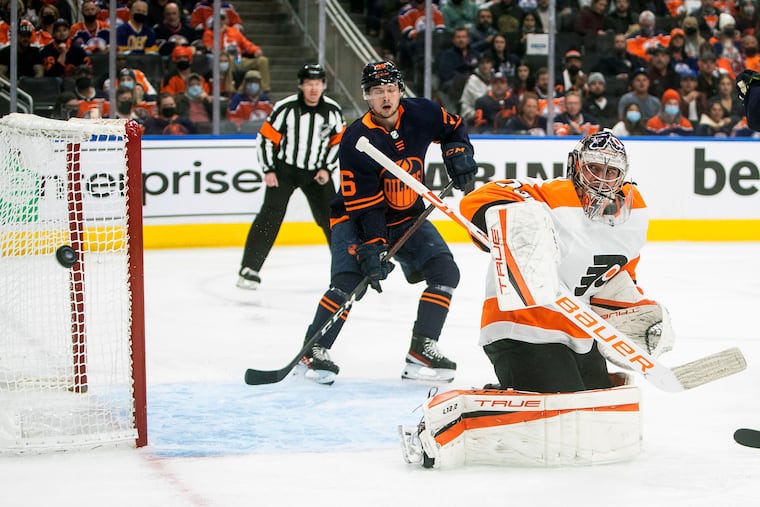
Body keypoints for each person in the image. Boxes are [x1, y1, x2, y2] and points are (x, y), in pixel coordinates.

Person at [294, 60, 477, 385]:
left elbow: (454, 127)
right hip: (355, 217)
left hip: (407, 215)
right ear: (366, 95)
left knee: (445, 272)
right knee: (348, 282)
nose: (385, 97)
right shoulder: (356, 139)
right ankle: (315, 348)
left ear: (400, 91)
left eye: (390, 89)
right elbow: (366, 205)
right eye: (377, 91)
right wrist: (373, 246)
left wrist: (457, 152)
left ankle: (422, 348)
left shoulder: (422, 113)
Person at [459, 130, 673, 393]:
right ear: (576, 165)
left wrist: (635, 311)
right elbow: (477, 200)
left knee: (600, 406)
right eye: (593, 168)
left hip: (580, 332)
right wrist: (513, 228)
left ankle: (507, 390)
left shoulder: (633, 213)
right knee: (567, 406)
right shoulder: (552, 195)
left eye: (611, 172)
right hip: (521, 326)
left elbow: (615, 279)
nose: (601, 180)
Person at [237, 64, 345, 290]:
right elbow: (266, 139)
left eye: (317, 84)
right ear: (301, 86)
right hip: (285, 170)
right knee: (270, 216)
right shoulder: (286, 108)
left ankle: (345, 271)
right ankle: (249, 269)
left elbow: (338, 142)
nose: (314, 89)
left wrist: (326, 168)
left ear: (323, 85)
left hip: (317, 173)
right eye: (309, 84)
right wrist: (268, 169)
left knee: (335, 219)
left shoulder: (333, 110)